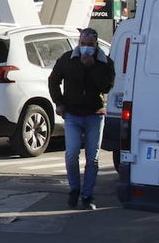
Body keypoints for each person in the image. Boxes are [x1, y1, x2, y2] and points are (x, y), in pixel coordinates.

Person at [48, 27, 115, 210]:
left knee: (92, 158)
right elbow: (53, 80)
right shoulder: (68, 59)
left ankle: (87, 195)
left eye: (90, 45)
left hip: (95, 114)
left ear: (96, 45)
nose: (86, 48)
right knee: (71, 153)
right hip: (73, 114)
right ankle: (74, 189)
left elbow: (106, 86)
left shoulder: (105, 62)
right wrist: (59, 103)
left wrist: (92, 66)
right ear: (78, 43)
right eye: (83, 44)